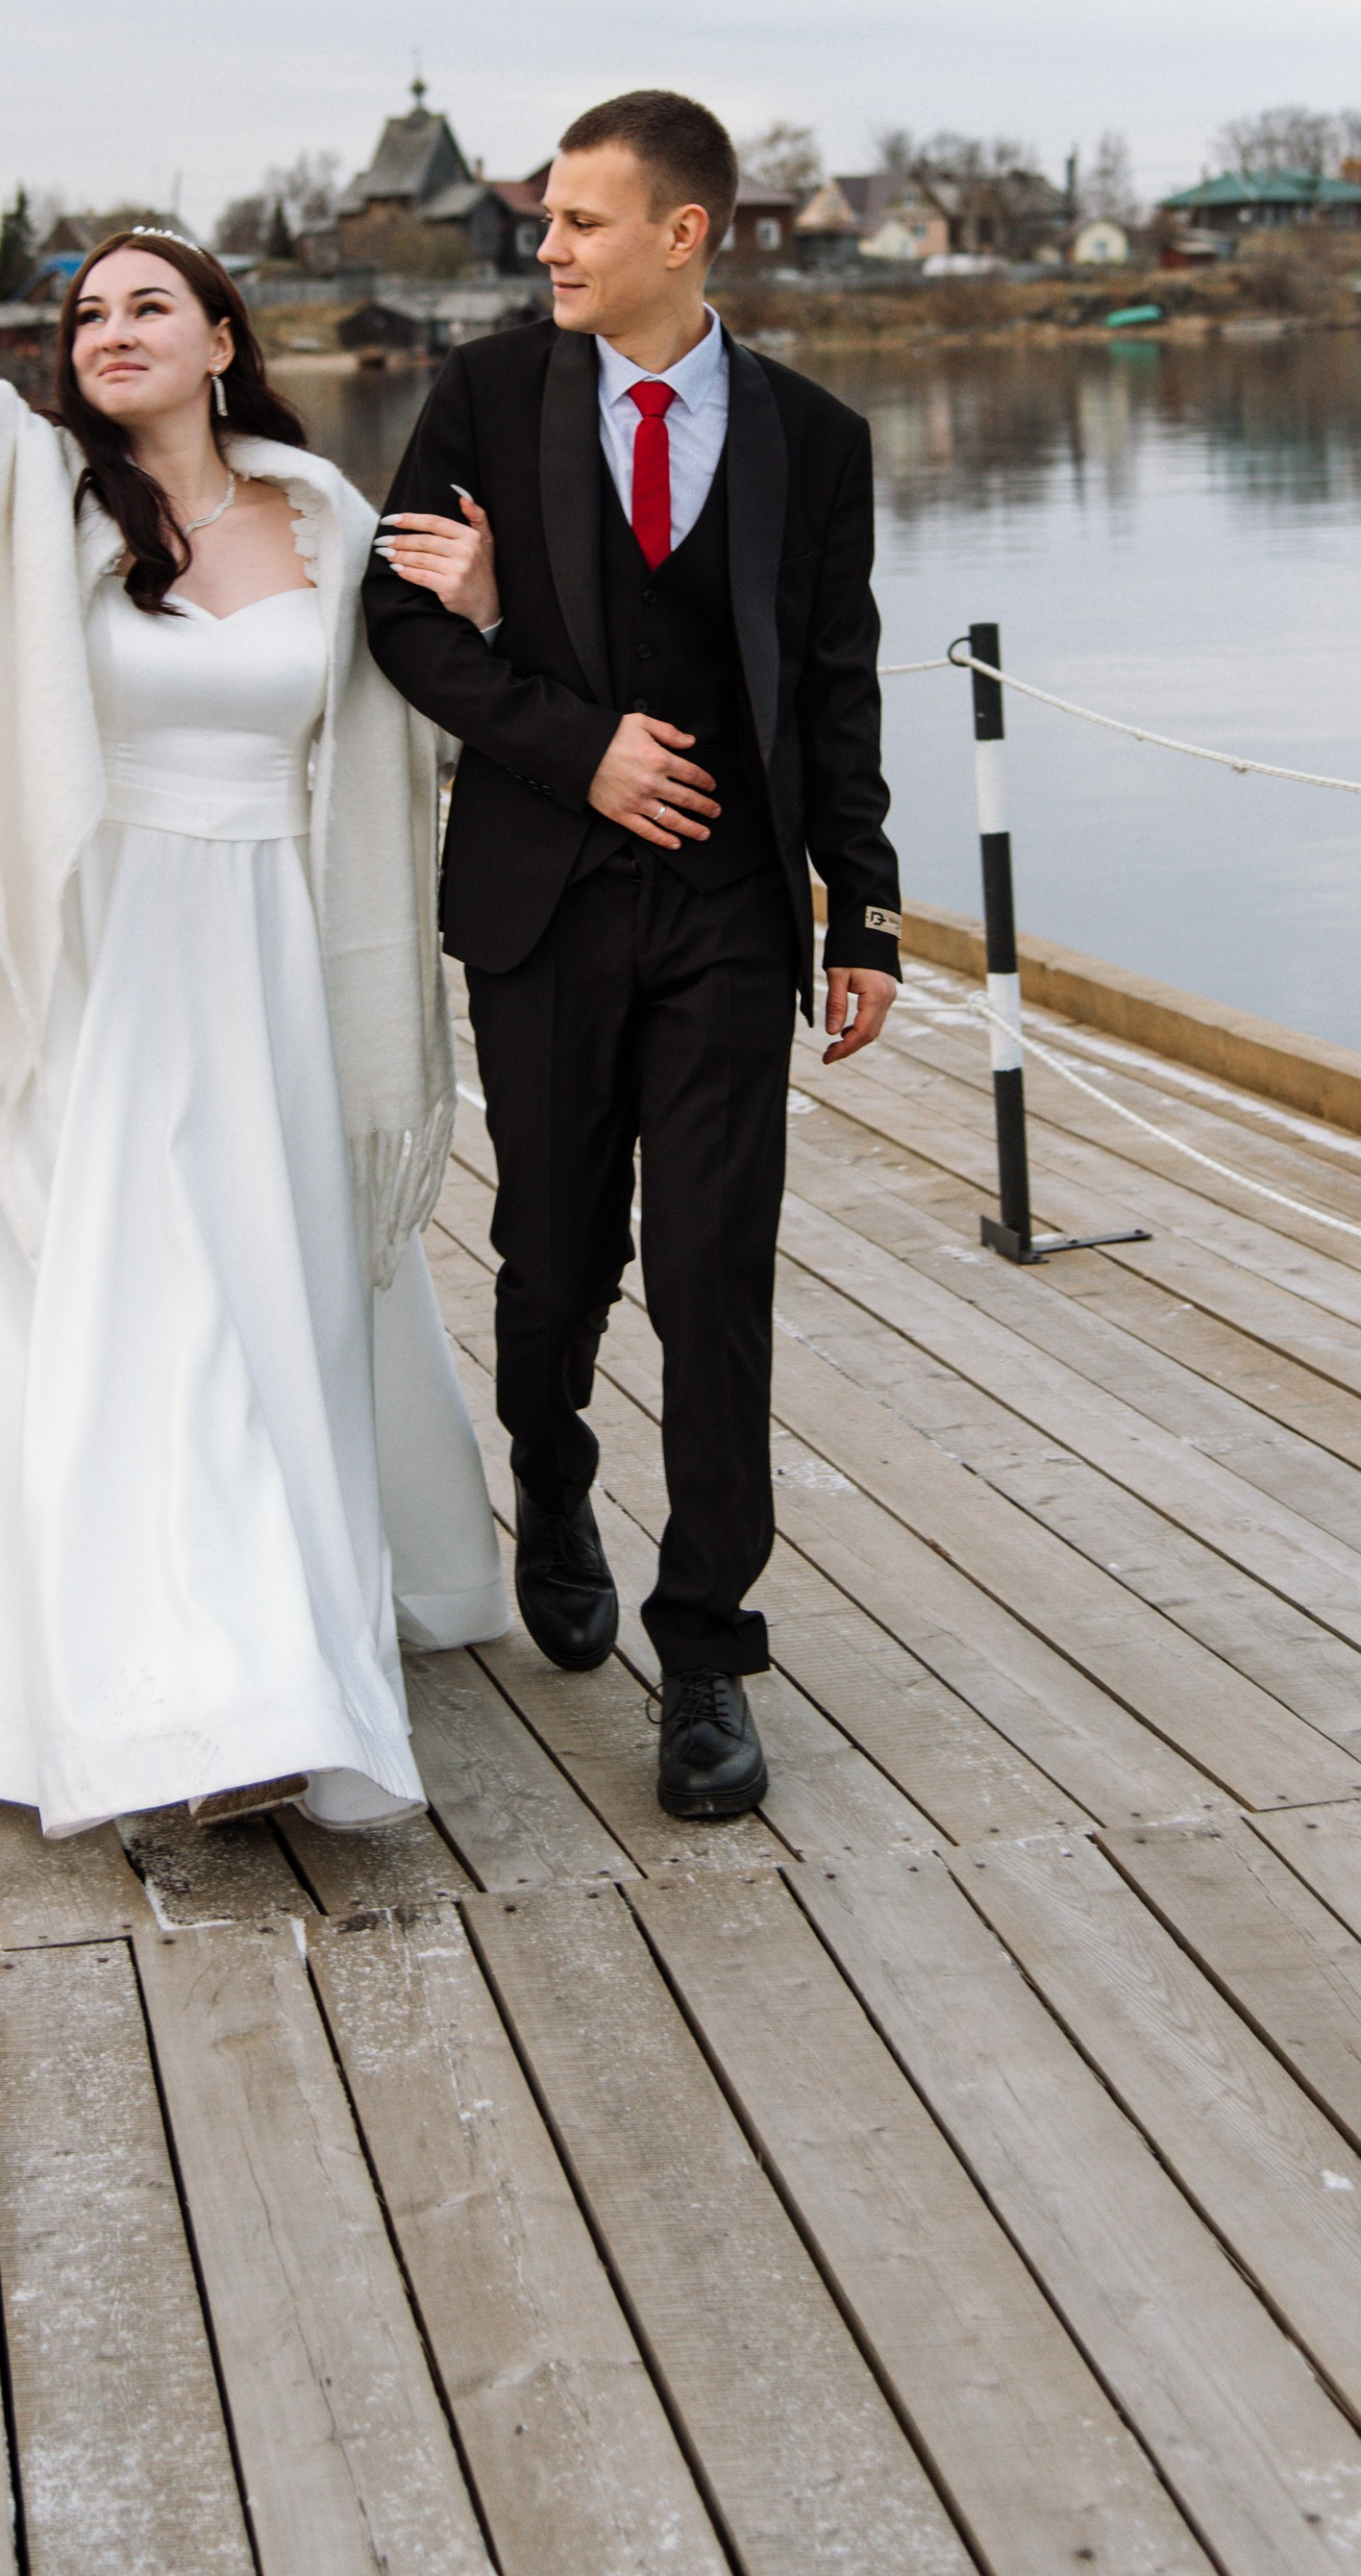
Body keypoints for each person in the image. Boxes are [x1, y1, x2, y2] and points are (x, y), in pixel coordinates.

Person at [0, 12, 508, 1839]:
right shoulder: (24, 488)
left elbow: (417, 713)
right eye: (88, 315)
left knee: (264, 1304)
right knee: (136, 1311)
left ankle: (268, 1655)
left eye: (145, 308)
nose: (110, 335)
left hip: (277, 955)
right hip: (104, 966)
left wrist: (481, 613)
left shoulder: (328, 512)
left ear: (221, 340)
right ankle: (186, 1704)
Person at [363, 90, 902, 1820]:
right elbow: (394, 626)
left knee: (715, 1273)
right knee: (553, 1256)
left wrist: (863, 904)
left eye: (581, 222)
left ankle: (710, 1651)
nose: (549, 249)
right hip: (545, 903)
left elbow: (834, 686)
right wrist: (568, 743)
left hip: (736, 913)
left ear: (684, 235)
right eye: (545, 221)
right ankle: (556, 1473)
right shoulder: (485, 397)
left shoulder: (815, 440)